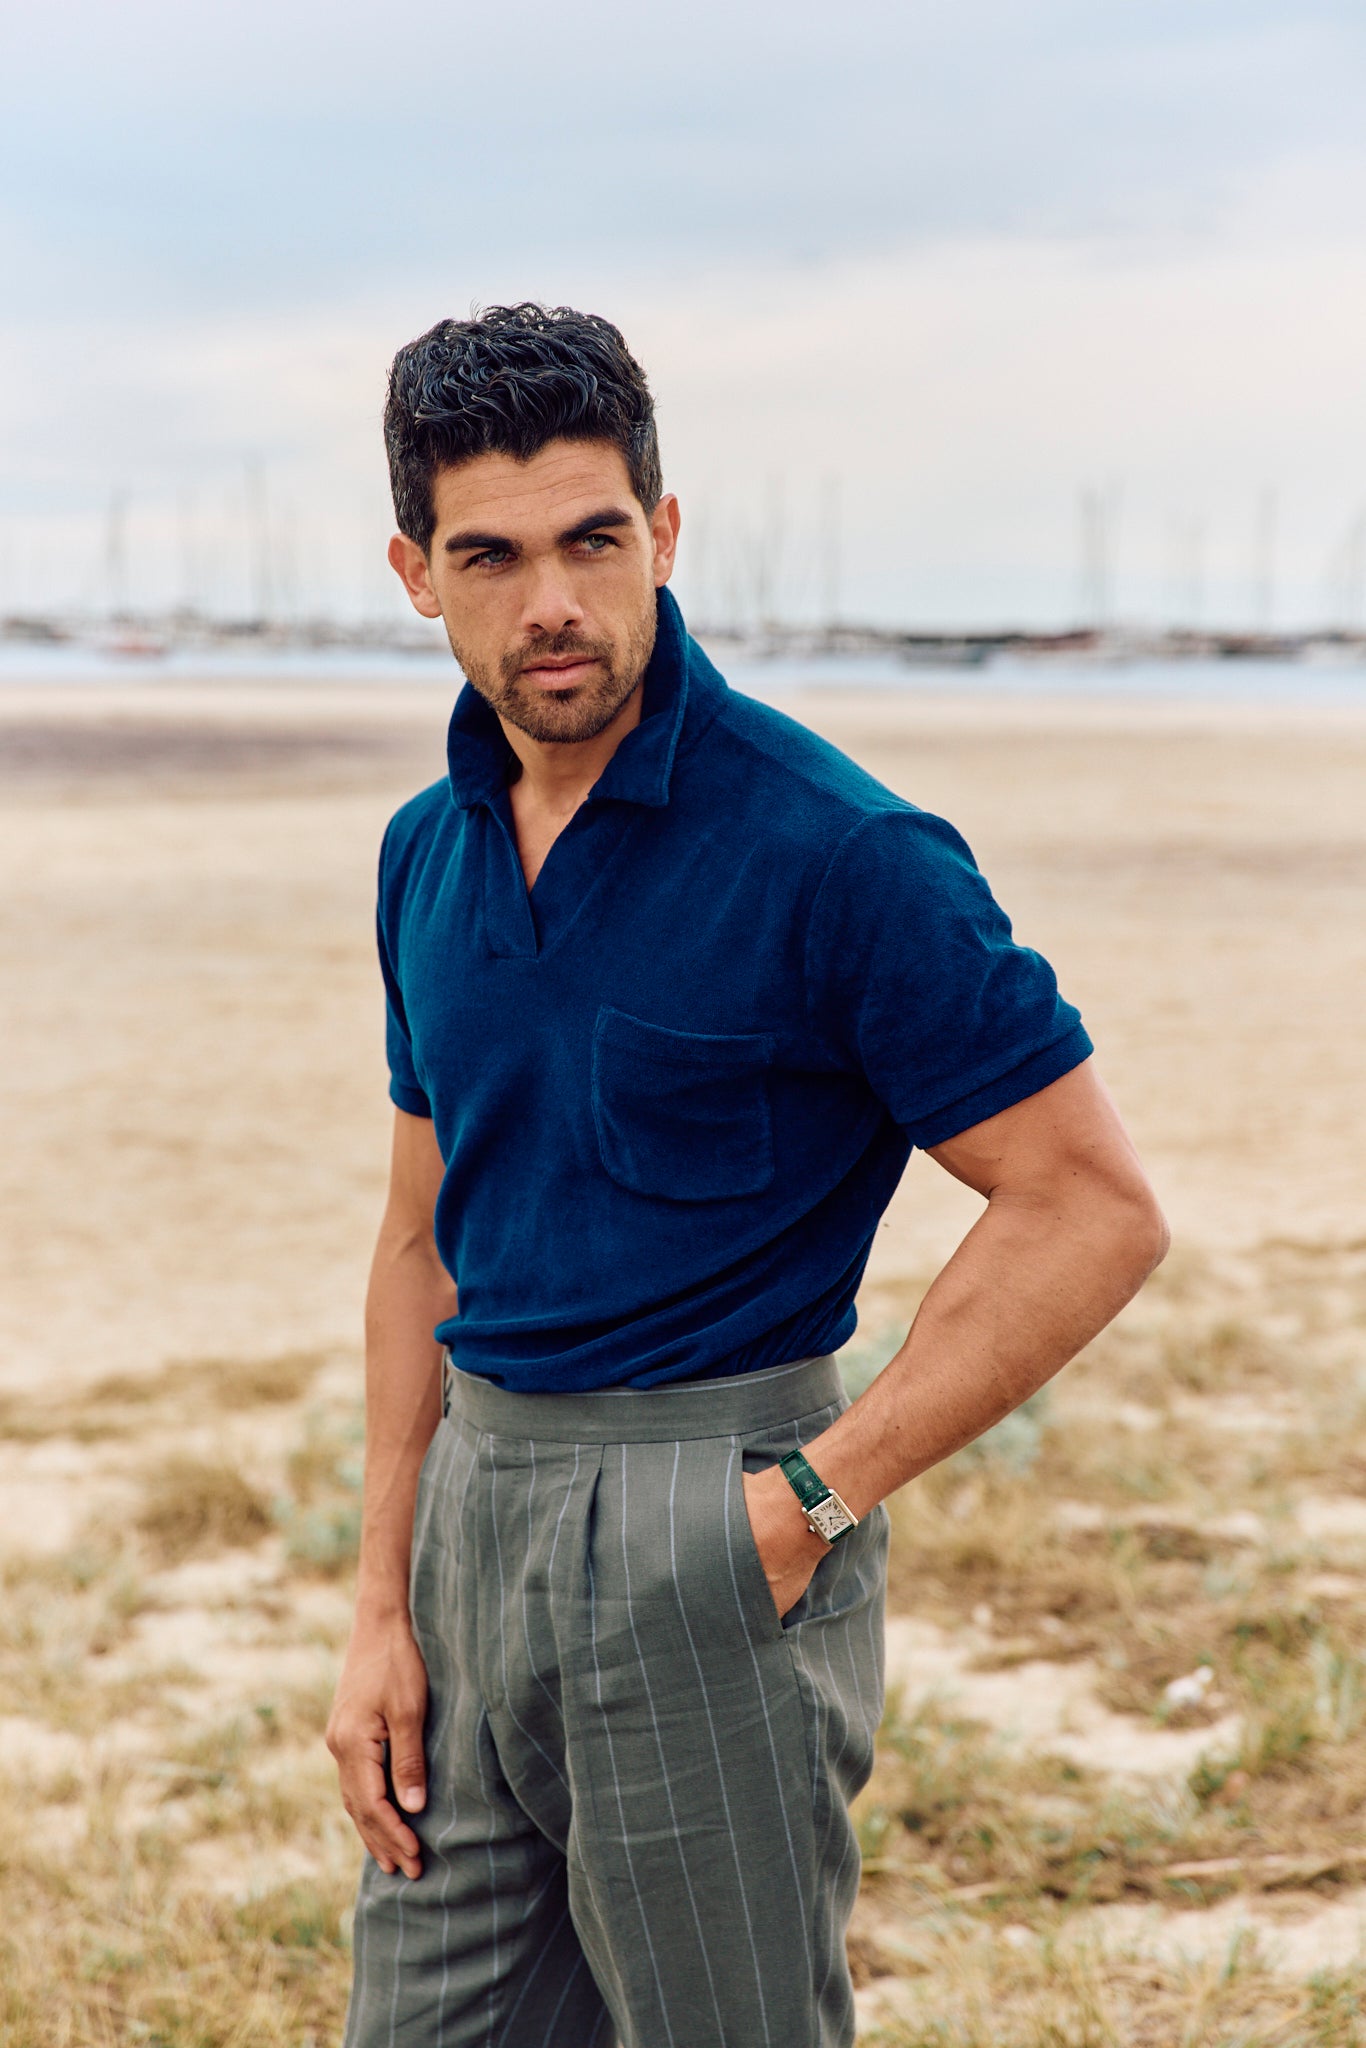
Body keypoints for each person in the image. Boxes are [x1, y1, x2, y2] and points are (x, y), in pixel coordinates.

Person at [326, 303, 1167, 2048]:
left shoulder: (835, 851)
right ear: (417, 573)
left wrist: (808, 1502)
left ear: (665, 533)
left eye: (592, 540)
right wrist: (376, 1611)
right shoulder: (427, 852)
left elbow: (1087, 1204)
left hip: (708, 1525)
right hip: (472, 1526)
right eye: (490, 555)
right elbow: (419, 1244)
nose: (549, 600)